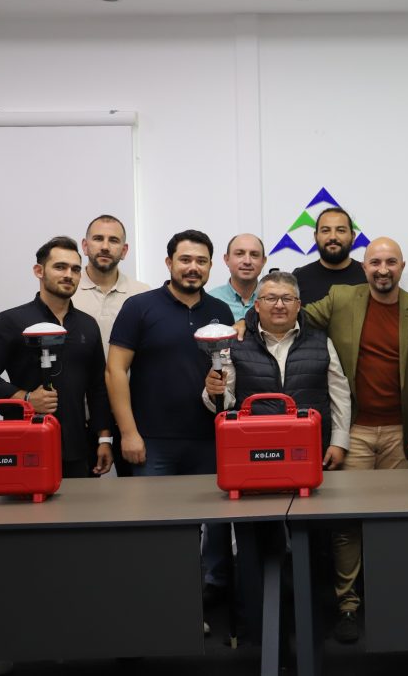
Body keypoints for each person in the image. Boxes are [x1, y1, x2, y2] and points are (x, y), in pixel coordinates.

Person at [302, 237, 408, 643]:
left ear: (402, 266)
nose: (383, 269)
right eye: (375, 262)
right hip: (354, 432)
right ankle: (348, 604)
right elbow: (293, 315)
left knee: (395, 519)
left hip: (401, 434)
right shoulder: (340, 298)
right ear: (363, 267)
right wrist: (246, 320)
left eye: (390, 262)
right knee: (347, 523)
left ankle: (390, 597)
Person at [105, 229, 235, 612]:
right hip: (152, 442)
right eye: (185, 260)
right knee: (157, 527)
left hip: (209, 440)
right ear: (169, 263)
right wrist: (128, 433)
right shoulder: (139, 307)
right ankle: (160, 603)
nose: (193, 267)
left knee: (216, 527)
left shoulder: (220, 311)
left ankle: (211, 600)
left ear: (210, 266)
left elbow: (228, 373)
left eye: (201, 261)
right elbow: (115, 370)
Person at [0, 236, 113, 479]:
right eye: (60, 267)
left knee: (83, 504)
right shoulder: (10, 321)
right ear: (39, 271)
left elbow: (97, 387)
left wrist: (104, 438)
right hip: (25, 445)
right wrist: (26, 399)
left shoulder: (88, 326)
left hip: (78, 448)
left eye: (75, 269)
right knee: (26, 504)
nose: (69, 275)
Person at [204, 271, 351, 466]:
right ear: (257, 305)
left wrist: (339, 442)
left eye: (287, 299)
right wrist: (214, 392)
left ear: (298, 305)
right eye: (271, 298)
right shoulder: (235, 343)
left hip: (309, 449)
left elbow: (340, 395)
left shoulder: (322, 342)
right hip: (253, 450)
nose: (279, 305)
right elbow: (224, 402)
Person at [70, 214, 151, 477]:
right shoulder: (66, 292)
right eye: (98, 239)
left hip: (131, 416)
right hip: (80, 415)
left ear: (124, 250)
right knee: (79, 496)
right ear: (85, 246)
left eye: (113, 240)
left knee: (139, 494)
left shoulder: (143, 294)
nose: (105, 246)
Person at [292, 207, 366, 305]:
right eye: (325, 231)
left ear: (353, 237)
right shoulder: (298, 279)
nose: (333, 237)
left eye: (341, 230)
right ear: (316, 237)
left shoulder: (368, 276)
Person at [209, 233, 267, 321]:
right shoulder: (210, 300)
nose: (247, 261)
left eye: (254, 255)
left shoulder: (274, 301)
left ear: (263, 261)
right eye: (239, 254)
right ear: (227, 259)